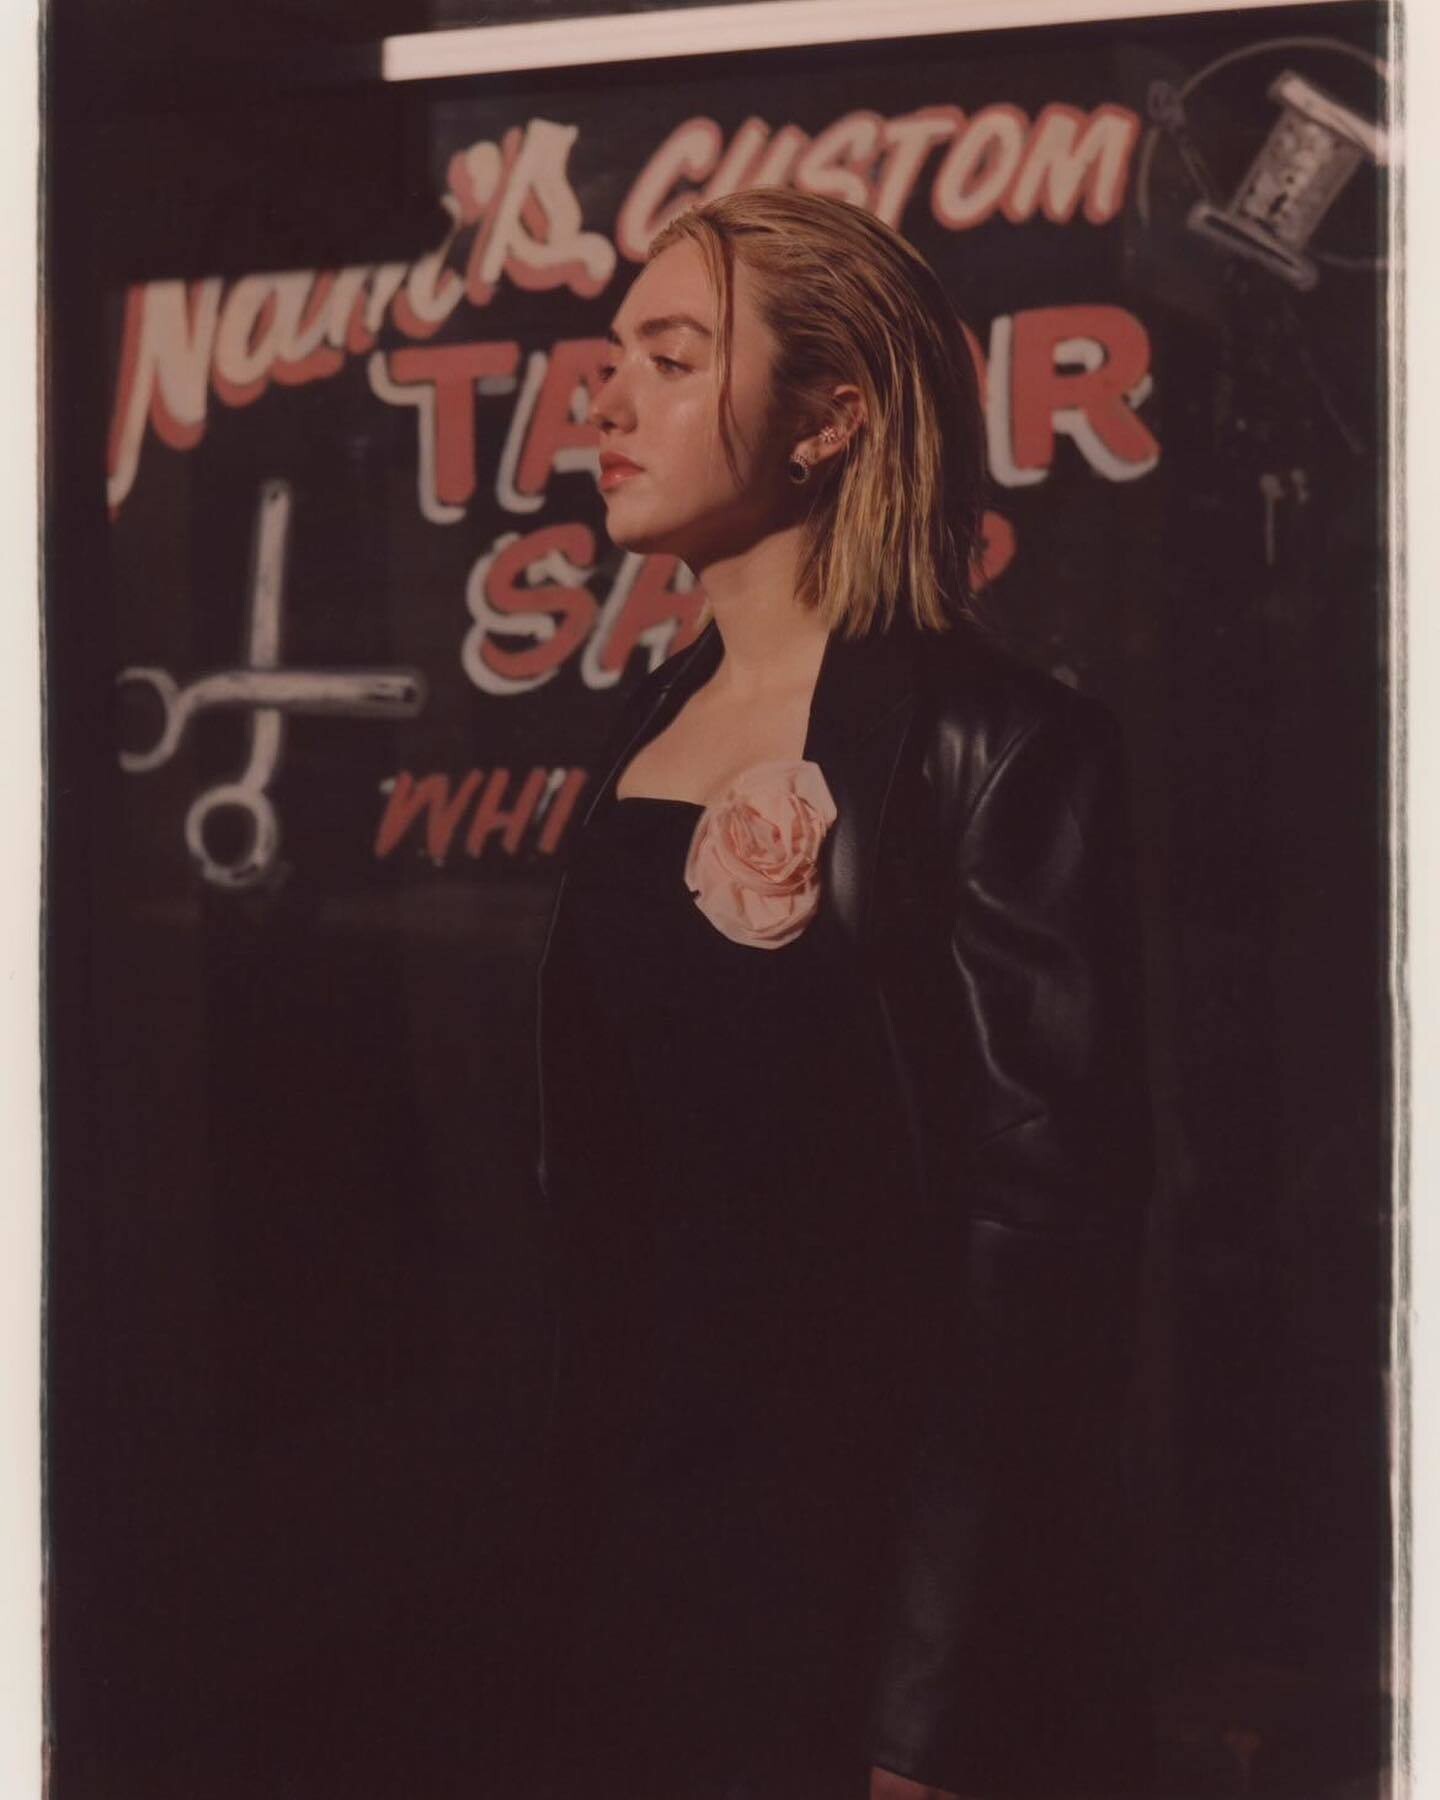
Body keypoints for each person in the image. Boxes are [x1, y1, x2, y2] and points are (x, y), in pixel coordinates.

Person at [524, 188, 1154, 1800]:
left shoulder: (999, 750)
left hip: (849, 1601)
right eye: (615, 357)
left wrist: (922, 1716)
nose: (607, 400)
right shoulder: (651, 716)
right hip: (632, 1572)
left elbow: (1034, 1267)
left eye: (674, 358)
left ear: (830, 416)